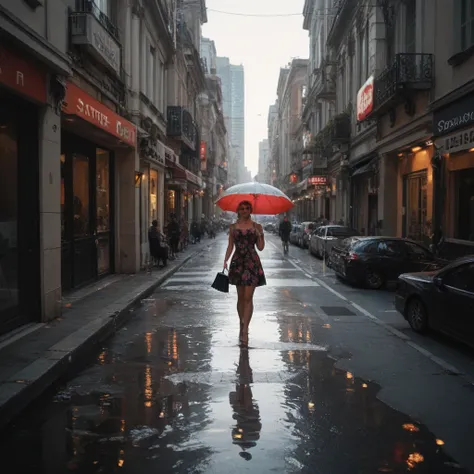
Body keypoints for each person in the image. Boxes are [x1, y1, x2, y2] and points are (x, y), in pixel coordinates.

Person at [224, 200, 266, 348]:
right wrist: (225, 260)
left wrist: (260, 235)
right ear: (238, 210)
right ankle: (242, 323)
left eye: (247, 208)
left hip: (252, 263)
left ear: (250, 210)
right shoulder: (233, 227)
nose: (244, 210)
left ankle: (245, 330)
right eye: (242, 208)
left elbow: (260, 248)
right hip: (237, 263)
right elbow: (230, 245)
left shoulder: (257, 226)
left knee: (248, 297)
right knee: (241, 297)